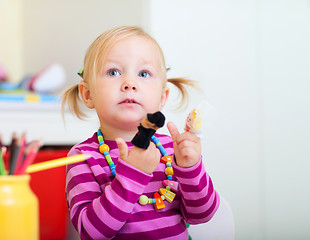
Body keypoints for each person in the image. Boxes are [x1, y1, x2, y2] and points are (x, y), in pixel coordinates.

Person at [62, 26, 220, 240]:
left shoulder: (171, 150)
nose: (129, 83)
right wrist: (133, 175)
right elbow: (92, 232)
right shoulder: (84, 157)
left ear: (162, 98)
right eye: (113, 72)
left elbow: (202, 214)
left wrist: (191, 169)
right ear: (88, 94)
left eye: (143, 74)